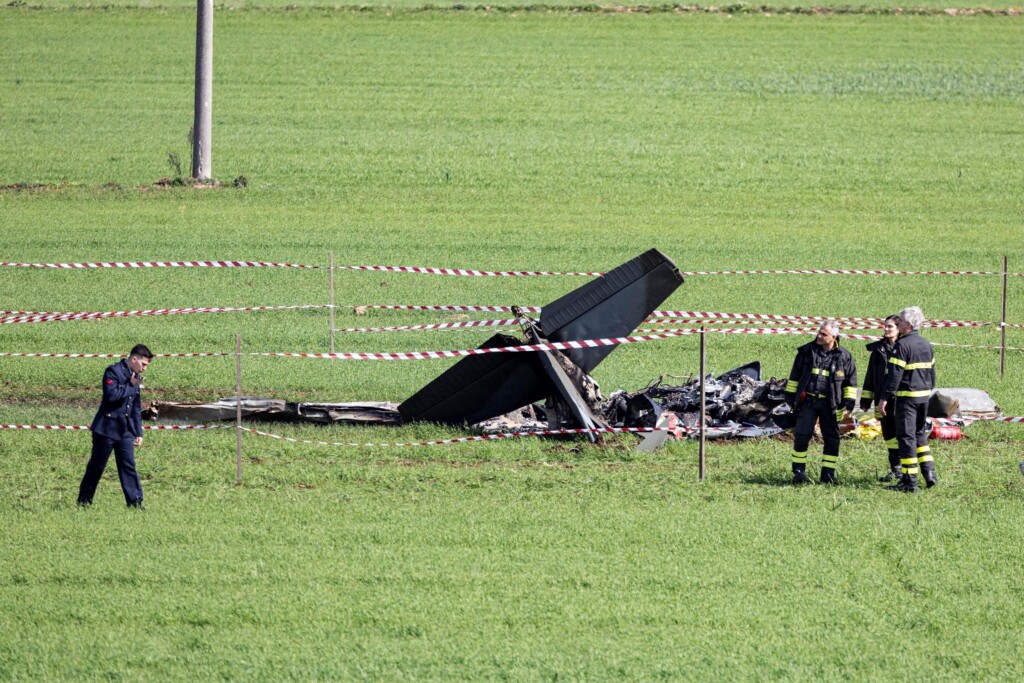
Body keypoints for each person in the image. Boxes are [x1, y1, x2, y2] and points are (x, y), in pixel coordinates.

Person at [77, 344, 153, 508]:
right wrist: (131, 385)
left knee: (128, 466)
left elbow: (136, 407)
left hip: (125, 430)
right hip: (106, 429)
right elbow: (111, 396)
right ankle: (84, 501)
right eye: (143, 364)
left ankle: (135, 503)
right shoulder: (112, 371)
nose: (144, 369)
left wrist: (138, 432)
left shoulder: (135, 376)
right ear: (134, 359)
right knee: (96, 467)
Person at [784, 320, 858, 485]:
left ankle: (828, 476)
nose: (818, 336)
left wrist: (849, 404)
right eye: (819, 332)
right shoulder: (806, 352)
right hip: (808, 402)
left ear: (834, 336)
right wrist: (790, 399)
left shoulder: (844, 356)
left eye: (823, 334)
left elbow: (850, 383)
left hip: (830, 405)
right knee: (802, 436)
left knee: (832, 439)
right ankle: (798, 473)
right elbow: (794, 377)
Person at [879, 307, 936, 493]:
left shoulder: (902, 346)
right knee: (920, 434)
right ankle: (929, 474)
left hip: (907, 398)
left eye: (901, 322)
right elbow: (932, 373)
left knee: (906, 438)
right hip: (923, 397)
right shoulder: (926, 344)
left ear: (909, 325)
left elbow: (894, 375)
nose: (899, 324)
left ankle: (909, 482)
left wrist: (886, 397)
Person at [861, 315, 901, 482]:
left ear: (899, 329)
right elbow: (870, 376)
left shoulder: (905, 348)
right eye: (885, 326)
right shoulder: (878, 350)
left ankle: (908, 471)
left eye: (890, 327)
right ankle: (895, 468)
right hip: (881, 400)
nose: (886, 329)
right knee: (889, 435)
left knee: (902, 435)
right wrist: (865, 400)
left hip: (900, 399)